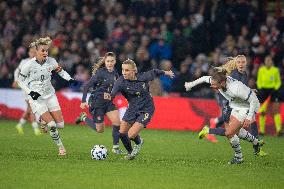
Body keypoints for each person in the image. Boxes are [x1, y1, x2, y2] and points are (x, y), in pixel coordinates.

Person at [185, 68, 264, 164]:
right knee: (237, 132)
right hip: (235, 104)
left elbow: (253, 101)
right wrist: (190, 85)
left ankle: (239, 157)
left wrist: (249, 117)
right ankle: (256, 143)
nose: (211, 85)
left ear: (222, 83)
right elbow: (204, 78)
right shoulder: (219, 81)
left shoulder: (235, 89)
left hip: (247, 107)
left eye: (214, 84)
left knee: (229, 132)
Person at [17, 37, 76, 156]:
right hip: (36, 99)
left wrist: (69, 78)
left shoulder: (52, 61)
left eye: (46, 50)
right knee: (53, 125)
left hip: (50, 96)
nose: (45, 53)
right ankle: (61, 148)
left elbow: (61, 71)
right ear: (37, 51)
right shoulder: (29, 65)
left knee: (61, 125)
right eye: (43, 50)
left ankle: (43, 120)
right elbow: (20, 81)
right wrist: (30, 92)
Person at [106, 59, 174, 160]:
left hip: (146, 108)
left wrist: (166, 72)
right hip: (132, 108)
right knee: (122, 133)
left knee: (131, 134)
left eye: (127, 70)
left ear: (134, 71)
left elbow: (155, 72)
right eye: (123, 70)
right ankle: (130, 153)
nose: (124, 72)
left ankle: (139, 142)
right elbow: (112, 94)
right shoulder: (120, 82)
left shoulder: (143, 77)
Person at [75, 52, 124, 154]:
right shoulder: (100, 73)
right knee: (100, 130)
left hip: (109, 103)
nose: (110, 63)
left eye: (112, 61)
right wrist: (83, 101)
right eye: (108, 61)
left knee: (117, 123)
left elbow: (116, 88)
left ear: (115, 61)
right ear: (105, 62)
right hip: (98, 103)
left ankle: (115, 148)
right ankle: (83, 118)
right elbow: (87, 86)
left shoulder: (115, 74)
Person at [12, 42, 41, 136]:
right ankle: (36, 129)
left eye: (34, 52)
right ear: (29, 53)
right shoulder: (24, 62)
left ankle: (20, 125)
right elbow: (17, 71)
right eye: (31, 52)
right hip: (25, 88)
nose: (32, 53)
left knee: (29, 108)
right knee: (31, 108)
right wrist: (16, 80)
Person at [257, 55, 282, 136]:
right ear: (264, 62)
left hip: (273, 91)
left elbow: (278, 81)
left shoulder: (275, 70)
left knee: (276, 110)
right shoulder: (261, 70)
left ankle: (278, 130)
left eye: (269, 60)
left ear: (272, 62)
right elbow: (259, 81)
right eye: (266, 60)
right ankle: (262, 131)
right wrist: (260, 89)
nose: (268, 62)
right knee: (263, 111)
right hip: (264, 91)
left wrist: (275, 88)